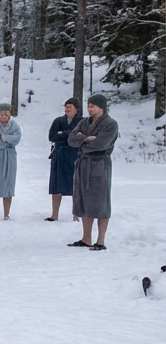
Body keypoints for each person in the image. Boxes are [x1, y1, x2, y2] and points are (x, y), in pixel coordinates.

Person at [67, 94, 119, 250]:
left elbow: (101, 144)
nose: (89, 108)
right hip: (83, 164)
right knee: (84, 200)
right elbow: (71, 139)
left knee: (100, 202)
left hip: (100, 164)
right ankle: (86, 238)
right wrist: (85, 139)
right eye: (88, 105)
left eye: (92, 106)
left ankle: (100, 241)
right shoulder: (84, 122)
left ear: (101, 107)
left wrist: (82, 141)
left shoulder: (110, 124)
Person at [46, 97, 83, 221]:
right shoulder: (58, 121)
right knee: (56, 184)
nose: (67, 109)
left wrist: (63, 134)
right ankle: (54, 214)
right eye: (66, 106)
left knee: (75, 184)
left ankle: (76, 215)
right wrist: (69, 134)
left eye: (70, 106)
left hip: (74, 155)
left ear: (76, 108)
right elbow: (52, 136)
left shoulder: (82, 121)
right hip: (59, 154)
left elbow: (80, 137)